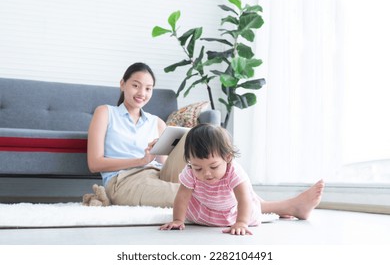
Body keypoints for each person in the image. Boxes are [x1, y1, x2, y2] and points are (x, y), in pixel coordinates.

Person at [87, 62, 324, 223]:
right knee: (187, 195)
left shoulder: (156, 121)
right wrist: (141, 159)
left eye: (148, 88)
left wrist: (158, 154)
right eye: (135, 85)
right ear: (123, 84)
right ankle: (284, 206)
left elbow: (165, 163)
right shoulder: (105, 112)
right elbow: (95, 164)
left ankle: (264, 202)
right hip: (123, 180)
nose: (142, 92)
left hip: (157, 172)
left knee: (192, 135)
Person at [160, 123, 325, 235]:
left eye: (213, 167)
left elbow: (244, 198)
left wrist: (241, 223)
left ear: (228, 157)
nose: (206, 174)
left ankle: (291, 208)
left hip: (231, 213)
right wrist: (177, 220)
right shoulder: (189, 170)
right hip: (203, 213)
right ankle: (291, 207)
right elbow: (182, 197)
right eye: (198, 168)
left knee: (252, 202)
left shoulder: (234, 171)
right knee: (187, 194)